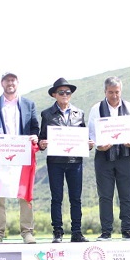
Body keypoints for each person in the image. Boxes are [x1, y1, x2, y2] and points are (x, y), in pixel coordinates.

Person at [0, 72, 39, 244]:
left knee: (25, 193)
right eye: (7, 80)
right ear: (2, 83)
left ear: (17, 82)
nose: (10, 83)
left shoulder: (29, 104)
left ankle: (27, 232)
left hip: (21, 154)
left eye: (13, 80)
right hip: (0, 154)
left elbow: (35, 127)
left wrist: (35, 137)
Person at [39, 78, 93, 243]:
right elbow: (42, 140)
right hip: (55, 161)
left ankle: (76, 232)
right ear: (54, 95)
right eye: (61, 92)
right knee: (57, 198)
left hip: (75, 161)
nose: (65, 95)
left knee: (75, 198)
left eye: (67, 92)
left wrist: (89, 144)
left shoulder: (79, 113)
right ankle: (58, 232)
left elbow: (84, 138)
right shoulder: (46, 114)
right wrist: (42, 144)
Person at [88, 76, 130, 241]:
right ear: (105, 92)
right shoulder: (96, 109)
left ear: (121, 91)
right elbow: (91, 132)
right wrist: (98, 145)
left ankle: (127, 230)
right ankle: (106, 231)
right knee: (105, 195)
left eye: (117, 92)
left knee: (126, 195)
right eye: (111, 92)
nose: (114, 96)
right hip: (103, 157)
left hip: (124, 156)